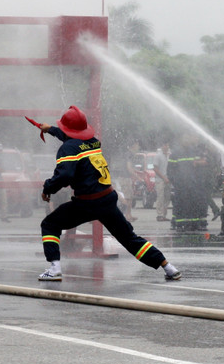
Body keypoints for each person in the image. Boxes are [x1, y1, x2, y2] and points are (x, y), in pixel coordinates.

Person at [29, 105, 181, 282]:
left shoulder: (68, 149)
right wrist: (51, 130)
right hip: (107, 199)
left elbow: (65, 175)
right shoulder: (93, 142)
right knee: (129, 238)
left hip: (87, 203)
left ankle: (54, 269)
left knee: (50, 224)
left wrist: (47, 188)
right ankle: (168, 267)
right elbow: (72, 140)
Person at [153, 141, 171, 222]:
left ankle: (164, 214)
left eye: (168, 145)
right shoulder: (158, 156)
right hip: (160, 180)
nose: (166, 147)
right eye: (165, 145)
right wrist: (164, 178)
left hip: (168, 179)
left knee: (167, 197)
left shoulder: (169, 155)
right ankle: (159, 215)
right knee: (160, 197)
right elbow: (155, 168)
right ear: (162, 146)